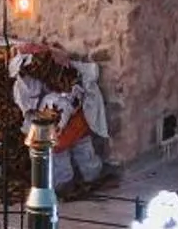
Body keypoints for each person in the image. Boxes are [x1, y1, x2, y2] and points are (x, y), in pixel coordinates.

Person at [9, 46, 109, 193]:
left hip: (69, 123)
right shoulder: (28, 87)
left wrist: (59, 125)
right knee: (66, 154)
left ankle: (85, 178)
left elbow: (63, 105)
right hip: (58, 125)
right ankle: (67, 183)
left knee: (81, 151)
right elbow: (28, 104)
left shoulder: (59, 91)